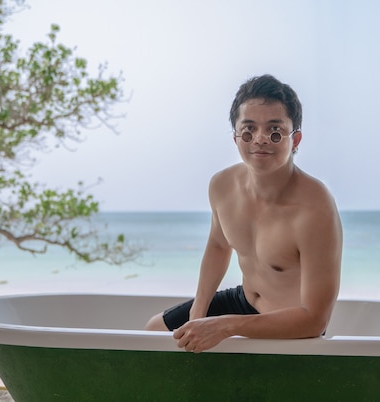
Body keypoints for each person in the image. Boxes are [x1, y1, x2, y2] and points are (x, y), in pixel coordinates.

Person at [145, 74, 342, 353]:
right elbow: (218, 244)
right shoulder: (222, 186)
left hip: (293, 325)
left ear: (295, 139)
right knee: (155, 331)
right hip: (244, 301)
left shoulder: (315, 208)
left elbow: (315, 318)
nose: (260, 139)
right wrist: (198, 312)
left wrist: (227, 326)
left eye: (274, 130)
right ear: (236, 136)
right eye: (249, 130)